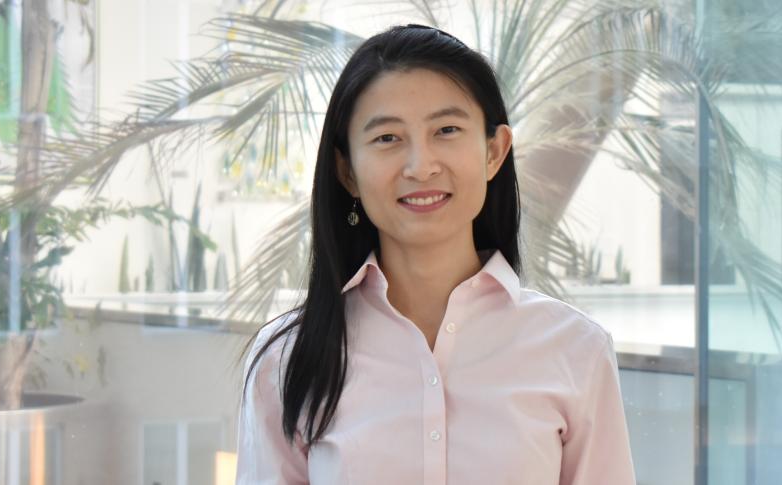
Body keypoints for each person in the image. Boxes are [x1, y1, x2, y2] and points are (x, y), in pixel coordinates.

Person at [235, 24, 635, 484]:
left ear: (493, 152)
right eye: (387, 138)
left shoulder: (575, 350)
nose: (420, 165)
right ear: (347, 171)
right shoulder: (285, 360)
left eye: (446, 130)